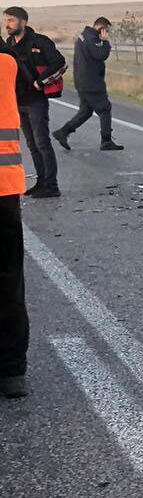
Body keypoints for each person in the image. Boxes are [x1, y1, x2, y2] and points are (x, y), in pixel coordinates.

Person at [3, 7, 65, 198]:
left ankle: (51, 186)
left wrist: (41, 81)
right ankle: (41, 182)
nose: (7, 25)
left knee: (42, 143)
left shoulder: (40, 42)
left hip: (36, 101)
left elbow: (60, 64)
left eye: (11, 20)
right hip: (18, 101)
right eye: (5, 20)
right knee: (31, 144)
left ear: (24, 22)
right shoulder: (9, 43)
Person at [0, 40, 30, 397]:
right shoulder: (7, 62)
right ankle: (10, 371)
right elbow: (29, 91)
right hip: (4, 187)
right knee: (7, 280)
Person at [54, 17, 123, 151]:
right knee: (104, 109)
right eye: (106, 30)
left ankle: (63, 132)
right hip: (92, 82)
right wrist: (105, 42)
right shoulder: (93, 39)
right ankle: (106, 140)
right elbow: (101, 55)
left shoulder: (84, 36)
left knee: (85, 112)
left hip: (82, 80)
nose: (106, 33)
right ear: (101, 28)